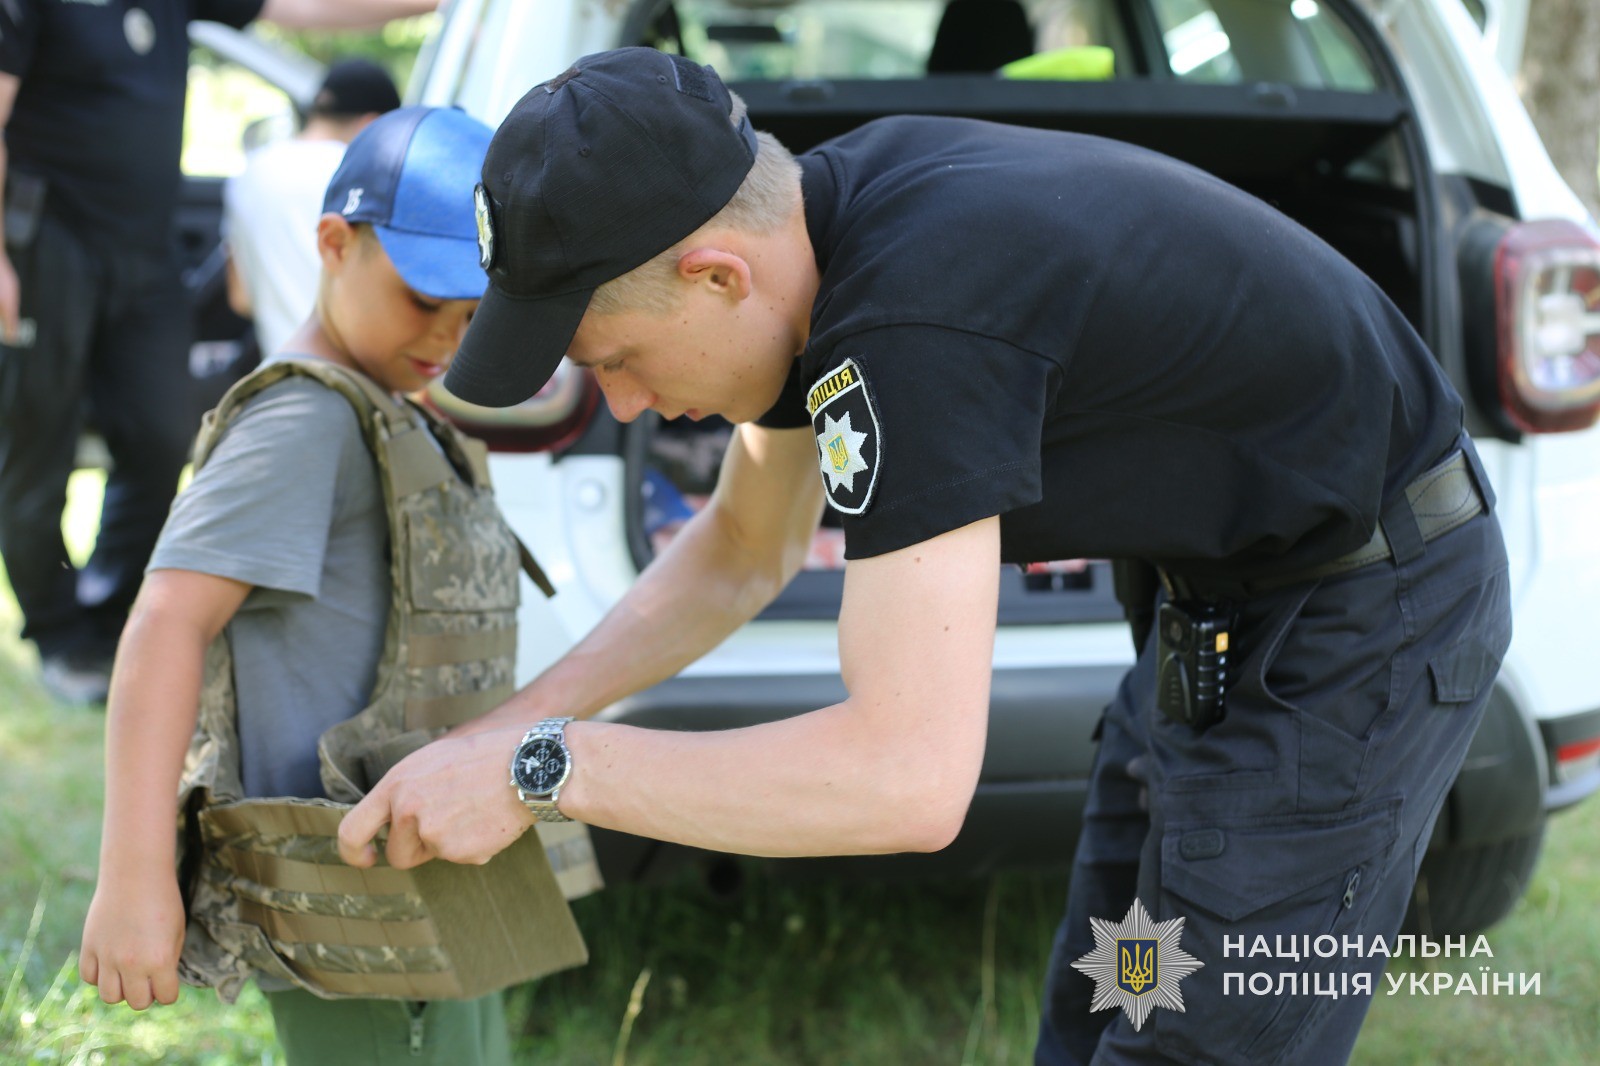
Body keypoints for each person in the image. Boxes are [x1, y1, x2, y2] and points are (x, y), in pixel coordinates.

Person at [339, 47, 1513, 1065]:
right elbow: (742, 547)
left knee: (1192, 1039)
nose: (628, 404)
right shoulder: (818, 231)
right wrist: (505, 731)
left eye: (616, 358)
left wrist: (539, 771)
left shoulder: (913, 320)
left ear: (715, 274)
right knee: (1109, 1002)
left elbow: (903, 779)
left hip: (1366, 611)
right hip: (1213, 601)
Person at [78, 106, 517, 1065]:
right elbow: (167, 621)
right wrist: (135, 873)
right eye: (423, 298)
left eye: (473, 311)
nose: (448, 336)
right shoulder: (301, 420)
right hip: (360, 910)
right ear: (333, 243)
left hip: (434, 879)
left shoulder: (392, 410)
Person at [0, 0, 434, 707]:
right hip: (48, 241)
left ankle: (112, 617)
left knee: (161, 437)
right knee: (35, 450)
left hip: (144, 251)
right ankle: (58, 634)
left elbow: (304, 5)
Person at [225, 57, 401, 358]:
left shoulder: (248, 174)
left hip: (282, 369)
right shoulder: (365, 175)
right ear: (371, 125)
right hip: (360, 372)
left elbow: (241, 298)